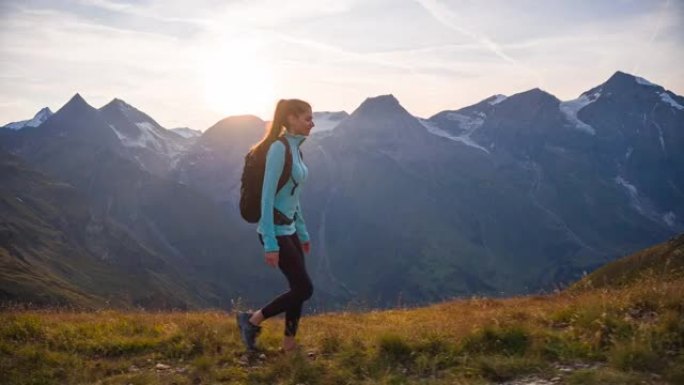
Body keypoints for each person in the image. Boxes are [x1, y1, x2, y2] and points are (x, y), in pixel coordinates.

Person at [237, 99, 315, 353]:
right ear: (291, 118)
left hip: (289, 229)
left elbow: (293, 197)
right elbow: (267, 197)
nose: (312, 123)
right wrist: (270, 243)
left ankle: (289, 345)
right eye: (307, 118)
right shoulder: (279, 149)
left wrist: (302, 233)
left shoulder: (296, 150)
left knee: (298, 289)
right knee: (304, 288)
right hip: (275, 231)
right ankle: (252, 320)